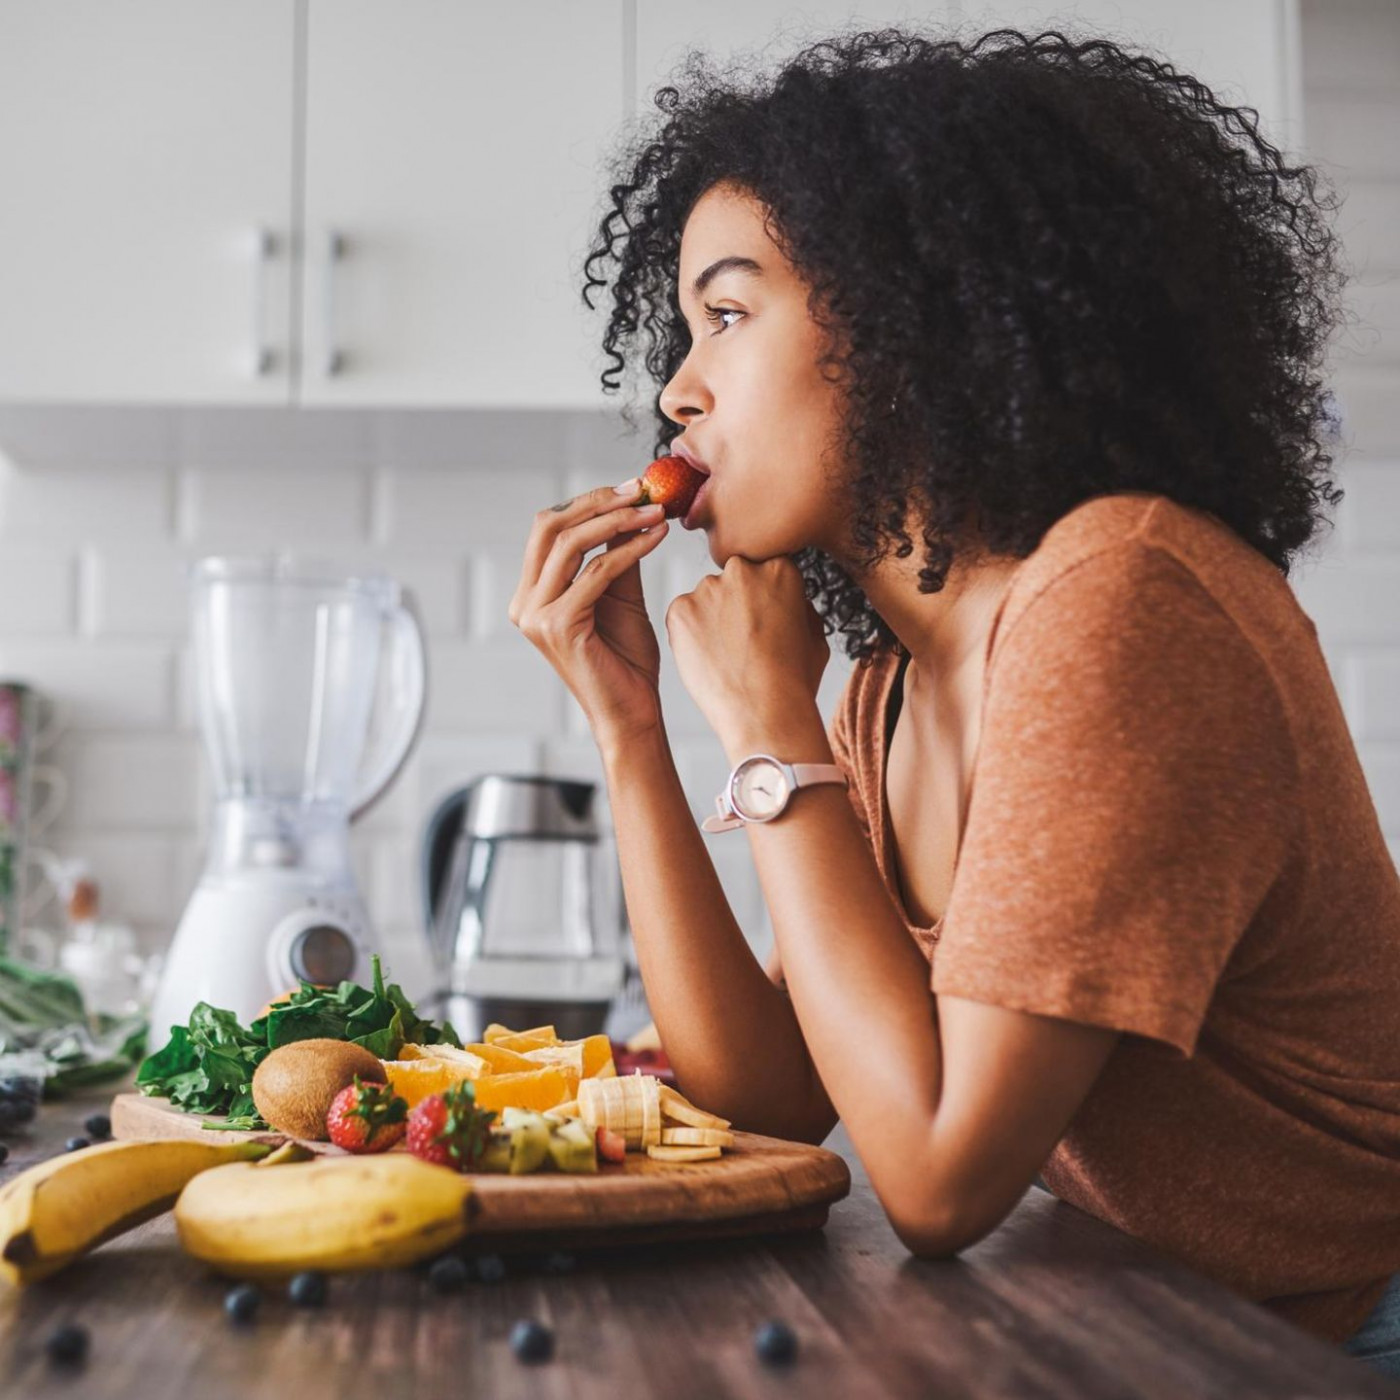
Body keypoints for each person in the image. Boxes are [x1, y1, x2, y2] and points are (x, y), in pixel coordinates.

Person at [509, 26, 1400, 1373]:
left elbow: (933, 1180)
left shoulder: (1123, 600)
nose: (677, 389)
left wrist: (768, 735)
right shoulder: (889, 686)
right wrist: (630, 727)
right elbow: (774, 1095)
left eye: (729, 315)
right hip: (1161, 1325)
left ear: (905, 320)